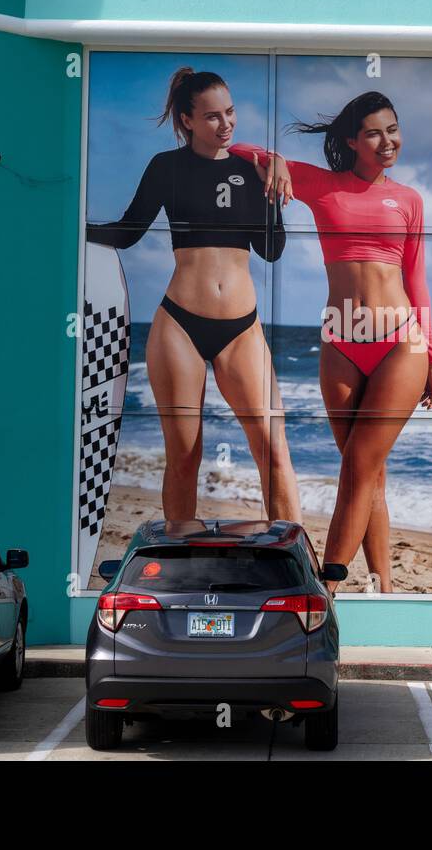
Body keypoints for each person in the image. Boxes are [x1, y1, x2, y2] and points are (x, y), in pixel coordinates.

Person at [230, 92, 432, 592]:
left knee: (357, 466)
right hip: (341, 341)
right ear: (352, 140)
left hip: (399, 343)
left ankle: (326, 585)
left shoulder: (409, 199)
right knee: (369, 474)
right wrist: (277, 161)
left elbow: (417, 281)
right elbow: (238, 150)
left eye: (393, 129)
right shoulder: (323, 187)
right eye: (374, 132)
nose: (387, 141)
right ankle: (385, 585)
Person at [88, 67, 300, 523]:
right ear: (186, 120)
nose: (225, 124)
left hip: (241, 327)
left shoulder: (253, 168)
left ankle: (297, 559)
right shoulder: (167, 168)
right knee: (185, 456)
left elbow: (272, 250)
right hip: (180, 323)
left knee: (273, 449)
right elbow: (127, 233)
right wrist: (72, 226)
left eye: (230, 112)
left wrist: (272, 192)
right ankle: (179, 557)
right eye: (211, 117)